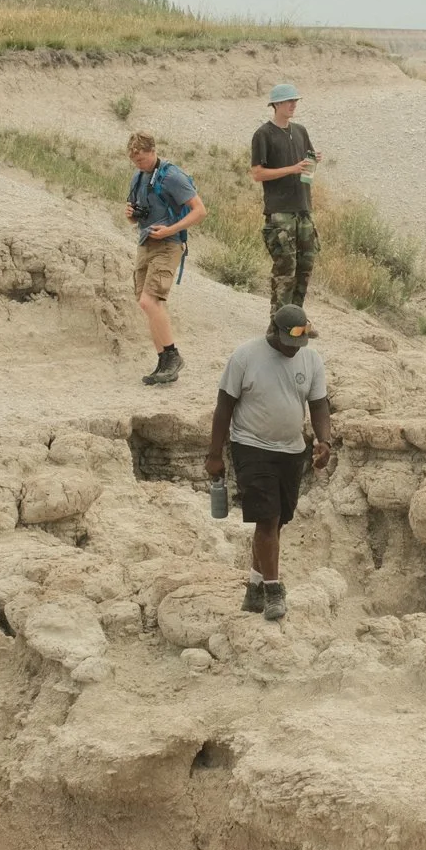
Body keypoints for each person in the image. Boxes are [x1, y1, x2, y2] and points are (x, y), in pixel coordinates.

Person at [203, 304, 333, 621]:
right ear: (274, 332)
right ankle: (274, 592)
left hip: (291, 451)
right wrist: (215, 454)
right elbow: (224, 406)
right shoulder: (245, 356)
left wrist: (324, 440)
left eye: (300, 343)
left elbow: (318, 405)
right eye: (290, 343)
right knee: (267, 518)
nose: (294, 350)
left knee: (277, 522)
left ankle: (254, 587)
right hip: (251, 445)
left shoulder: (311, 359)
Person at [124, 131, 206, 385]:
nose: (138, 164)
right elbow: (135, 216)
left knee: (150, 300)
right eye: (134, 160)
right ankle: (163, 362)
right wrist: (131, 214)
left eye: (141, 159)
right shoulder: (139, 176)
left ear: (153, 151)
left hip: (168, 244)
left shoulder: (172, 176)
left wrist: (171, 230)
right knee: (146, 303)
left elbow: (200, 211)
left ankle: (173, 356)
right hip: (146, 242)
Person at [251, 82, 323, 328]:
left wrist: (313, 161)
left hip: (303, 209)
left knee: (305, 267)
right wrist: (291, 169)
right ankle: (278, 323)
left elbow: (306, 167)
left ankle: (296, 320)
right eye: (289, 101)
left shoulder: (300, 131)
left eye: (295, 101)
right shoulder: (263, 134)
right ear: (276, 104)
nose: (293, 105)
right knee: (285, 270)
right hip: (280, 212)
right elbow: (257, 173)